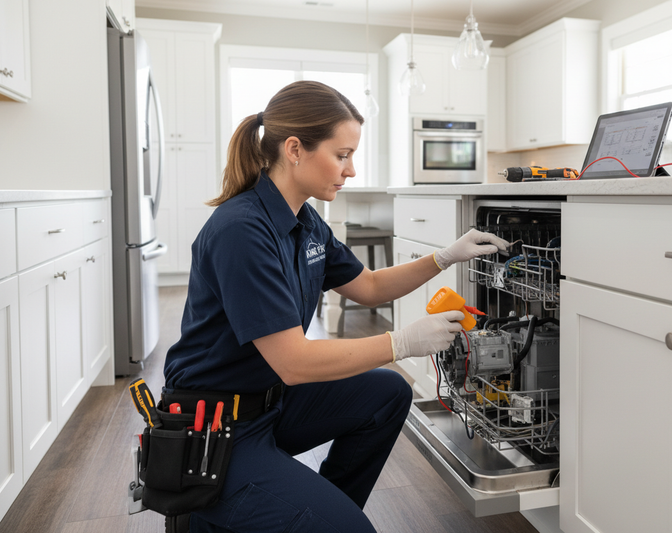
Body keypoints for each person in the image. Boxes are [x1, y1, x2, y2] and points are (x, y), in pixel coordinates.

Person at [162, 80, 508, 533]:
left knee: (388, 393)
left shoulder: (305, 221)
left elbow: (368, 286)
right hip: (215, 431)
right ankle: (211, 514)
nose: (351, 170)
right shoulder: (241, 230)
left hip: (269, 405)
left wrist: (445, 256)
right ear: (294, 149)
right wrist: (402, 342)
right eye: (341, 155)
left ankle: (313, 514)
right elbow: (293, 362)